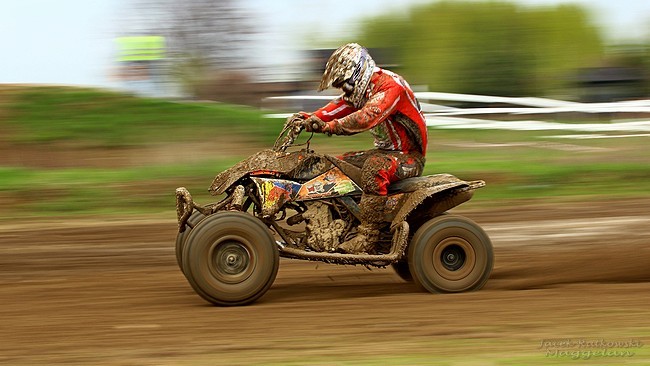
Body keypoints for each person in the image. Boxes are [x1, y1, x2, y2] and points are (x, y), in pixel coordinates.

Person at [292, 43, 428, 254]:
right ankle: (343, 221)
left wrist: (331, 127)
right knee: (332, 165)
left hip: (408, 157)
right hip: (386, 153)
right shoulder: (364, 90)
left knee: (375, 169)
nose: (343, 89)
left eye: (343, 84)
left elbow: (367, 117)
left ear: (357, 73)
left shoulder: (390, 86)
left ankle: (368, 236)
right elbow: (340, 106)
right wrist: (311, 118)